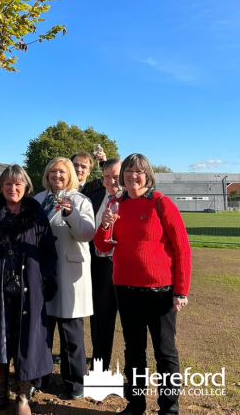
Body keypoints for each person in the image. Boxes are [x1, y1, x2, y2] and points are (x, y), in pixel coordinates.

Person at [94, 153, 191, 415]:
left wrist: (181, 291)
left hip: (160, 292)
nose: (132, 176)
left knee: (165, 352)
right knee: (134, 351)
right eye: (127, 172)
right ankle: (135, 404)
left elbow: (182, 249)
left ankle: (169, 409)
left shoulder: (161, 203)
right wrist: (104, 226)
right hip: (125, 289)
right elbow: (102, 246)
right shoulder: (115, 204)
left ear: (147, 174)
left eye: (137, 172)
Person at [0, 165, 58, 415]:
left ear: (25, 186)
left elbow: (48, 250)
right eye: (8, 184)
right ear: (0, 187)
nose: (13, 188)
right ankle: (0, 395)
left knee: (25, 342)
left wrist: (44, 279)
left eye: (18, 184)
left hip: (28, 291)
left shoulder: (35, 211)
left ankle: (23, 397)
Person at [33, 158, 95, 399]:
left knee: (71, 335)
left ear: (70, 175)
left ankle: (75, 384)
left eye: (62, 171)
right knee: (42, 330)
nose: (57, 175)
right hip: (42, 273)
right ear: (47, 175)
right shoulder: (38, 199)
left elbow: (87, 233)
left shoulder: (81, 200)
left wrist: (70, 213)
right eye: (52, 171)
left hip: (70, 275)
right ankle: (40, 377)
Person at [89, 158, 122, 372]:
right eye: (107, 177)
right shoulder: (96, 198)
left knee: (132, 324)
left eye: (116, 177)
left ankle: (135, 376)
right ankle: (99, 368)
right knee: (100, 320)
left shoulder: (132, 199)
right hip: (99, 266)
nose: (111, 181)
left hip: (124, 266)